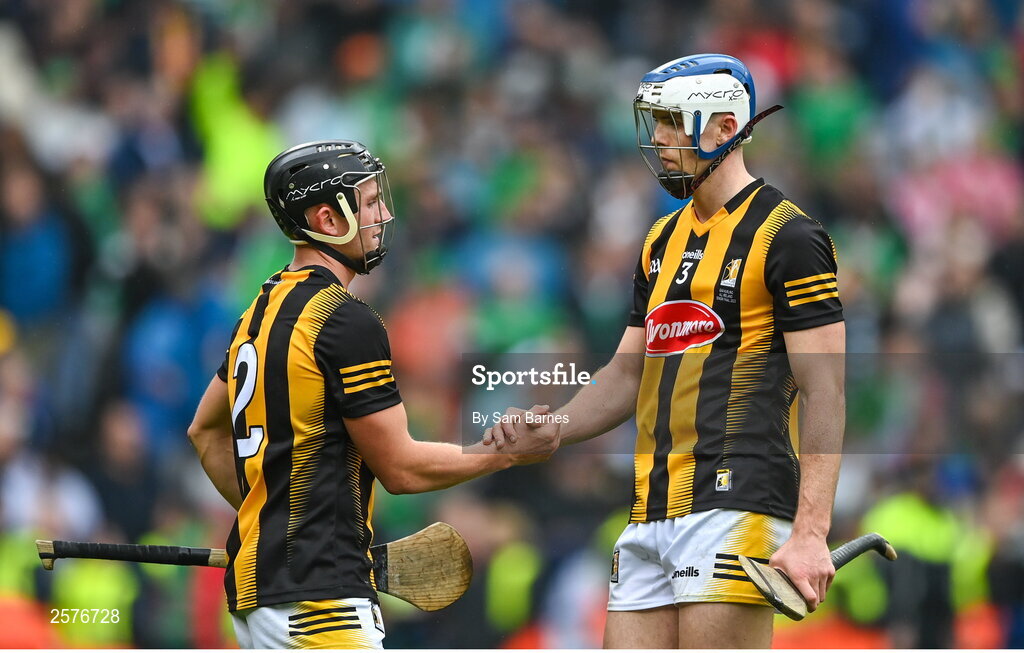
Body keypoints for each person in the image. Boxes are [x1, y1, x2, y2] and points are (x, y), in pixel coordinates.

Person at [486, 54, 846, 648]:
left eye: (674, 121)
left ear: (726, 128)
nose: (658, 138)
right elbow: (626, 375)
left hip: (738, 503)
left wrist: (811, 529)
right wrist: (552, 427)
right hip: (650, 509)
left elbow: (825, 388)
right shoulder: (659, 240)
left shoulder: (790, 237)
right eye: (655, 121)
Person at [187, 140, 558, 649]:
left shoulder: (258, 312)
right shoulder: (345, 320)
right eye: (367, 203)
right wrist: (507, 454)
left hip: (259, 597)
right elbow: (401, 468)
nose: (384, 213)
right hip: (321, 604)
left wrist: (275, 524)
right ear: (327, 218)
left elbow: (204, 431)